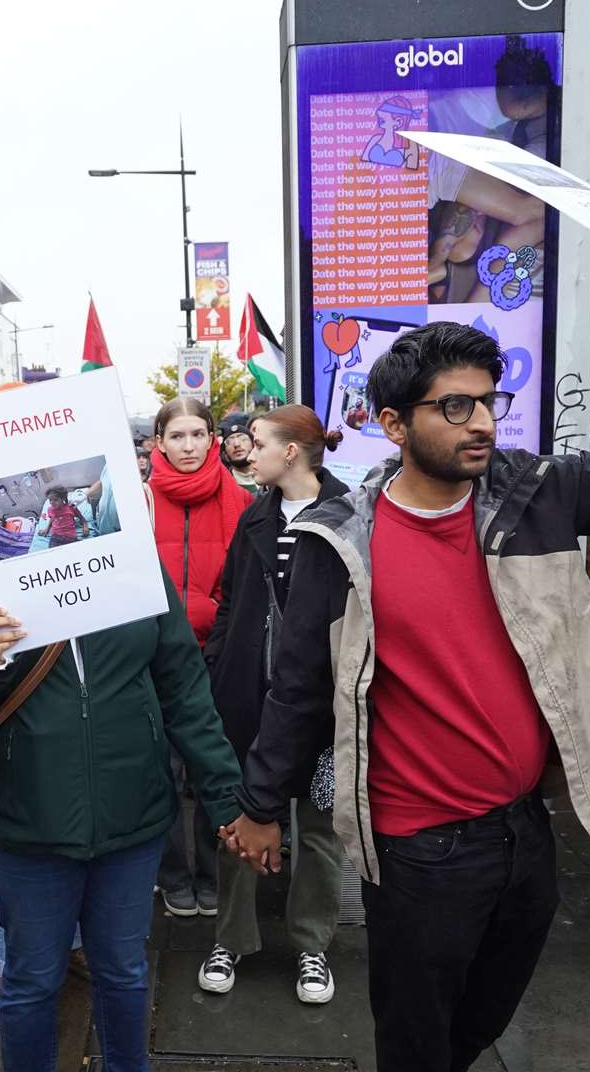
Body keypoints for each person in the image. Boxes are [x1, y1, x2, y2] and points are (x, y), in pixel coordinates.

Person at [227, 226, 590, 1072]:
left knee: (481, 1019)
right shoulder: (340, 542)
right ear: (394, 422)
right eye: (454, 406)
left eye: (487, 401)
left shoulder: (537, 495)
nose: (480, 423)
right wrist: (259, 806)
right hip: (415, 848)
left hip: (523, 831)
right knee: (415, 1036)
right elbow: (298, 688)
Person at [0, 551, 247, 1072]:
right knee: (32, 981)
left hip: (132, 816)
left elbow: (184, 686)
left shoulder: (130, 552)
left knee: (123, 972)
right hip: (25, 822)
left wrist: (226, 795)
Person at [200, 406, 347, 1002]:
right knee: (240, 822)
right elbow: (231, 600)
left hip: (325, 708)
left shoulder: (347, 515)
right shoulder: (254, 515)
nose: (246, 450)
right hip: (250, 702)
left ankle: (312, 945)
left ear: (291, 452)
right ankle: (229, 940)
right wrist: (220, 669)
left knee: (318, 832)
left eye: (257, 443)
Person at [148, 397, 253, 917]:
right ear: (158, 443)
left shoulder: (242, 499)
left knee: (214, 768)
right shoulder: (139, 501)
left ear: (212, 438)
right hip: (153, 655)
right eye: (177, 436)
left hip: (217, 654)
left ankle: (214, 872)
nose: (188, 446)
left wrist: (214, 617)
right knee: (161, 771)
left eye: (197, 435)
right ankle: (171, 876)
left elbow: (247, 585)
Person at [221, 426, 259, 494]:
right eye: (229, 441)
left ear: (254, 445)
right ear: (225, 454)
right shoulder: (222, 485)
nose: (236, 444)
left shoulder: (271, 479)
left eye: (243, 439)